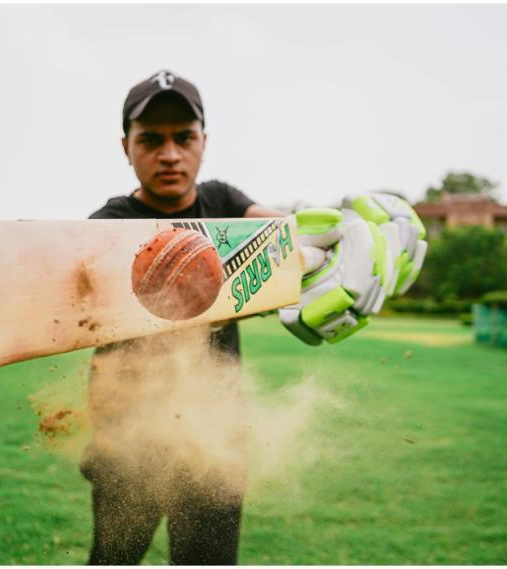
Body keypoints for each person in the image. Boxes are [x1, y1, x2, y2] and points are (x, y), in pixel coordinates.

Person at [80, 70, 426, 565]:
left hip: (215, 434)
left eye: (184, 137)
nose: (171, 154)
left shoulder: (221, 200)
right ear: (126, 146)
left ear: (204, 141)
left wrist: (353, 245)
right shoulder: (110, 224)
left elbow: (284, 236)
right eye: (151, 140)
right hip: (129, 439)